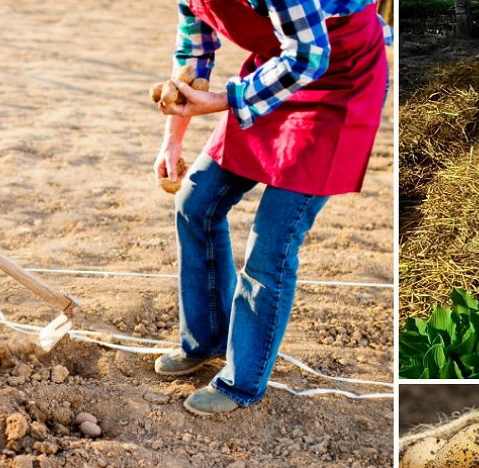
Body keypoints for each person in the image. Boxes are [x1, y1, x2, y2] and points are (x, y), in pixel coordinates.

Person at [153, 0, 389, 416]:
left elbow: (308, 56)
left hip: (340, 84)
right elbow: (193, 56)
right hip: (274, 77)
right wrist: (172, 141)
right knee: (196, 201)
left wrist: (225, 99)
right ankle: (206, 342)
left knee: (272, 243)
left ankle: (241, 382)